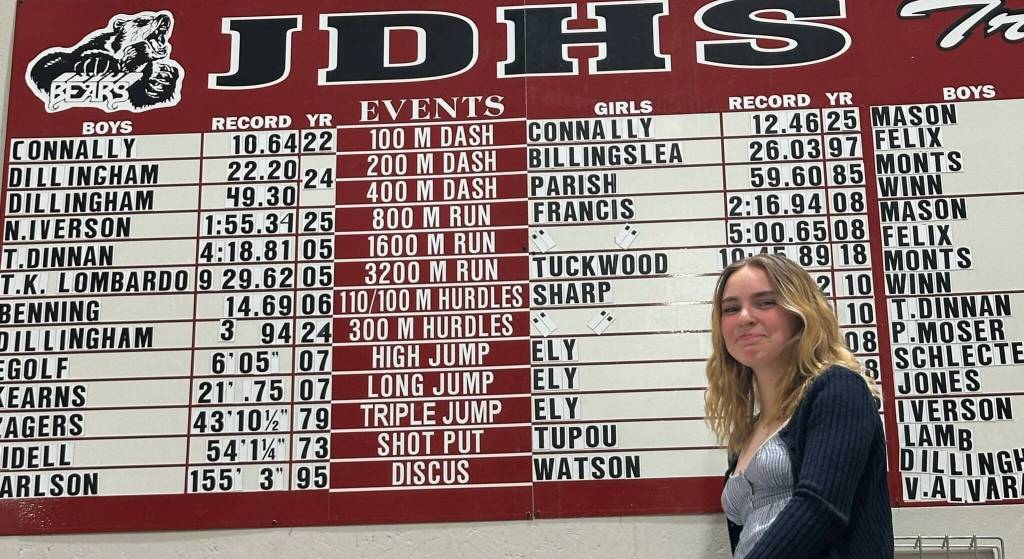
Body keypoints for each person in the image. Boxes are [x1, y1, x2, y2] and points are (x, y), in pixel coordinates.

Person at [704, 254, 893, 558]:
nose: (745, 317)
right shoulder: (746, 434)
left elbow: (820, 509)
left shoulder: (838, 389)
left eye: (765, 303)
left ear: (800, 312)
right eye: (730, 309)